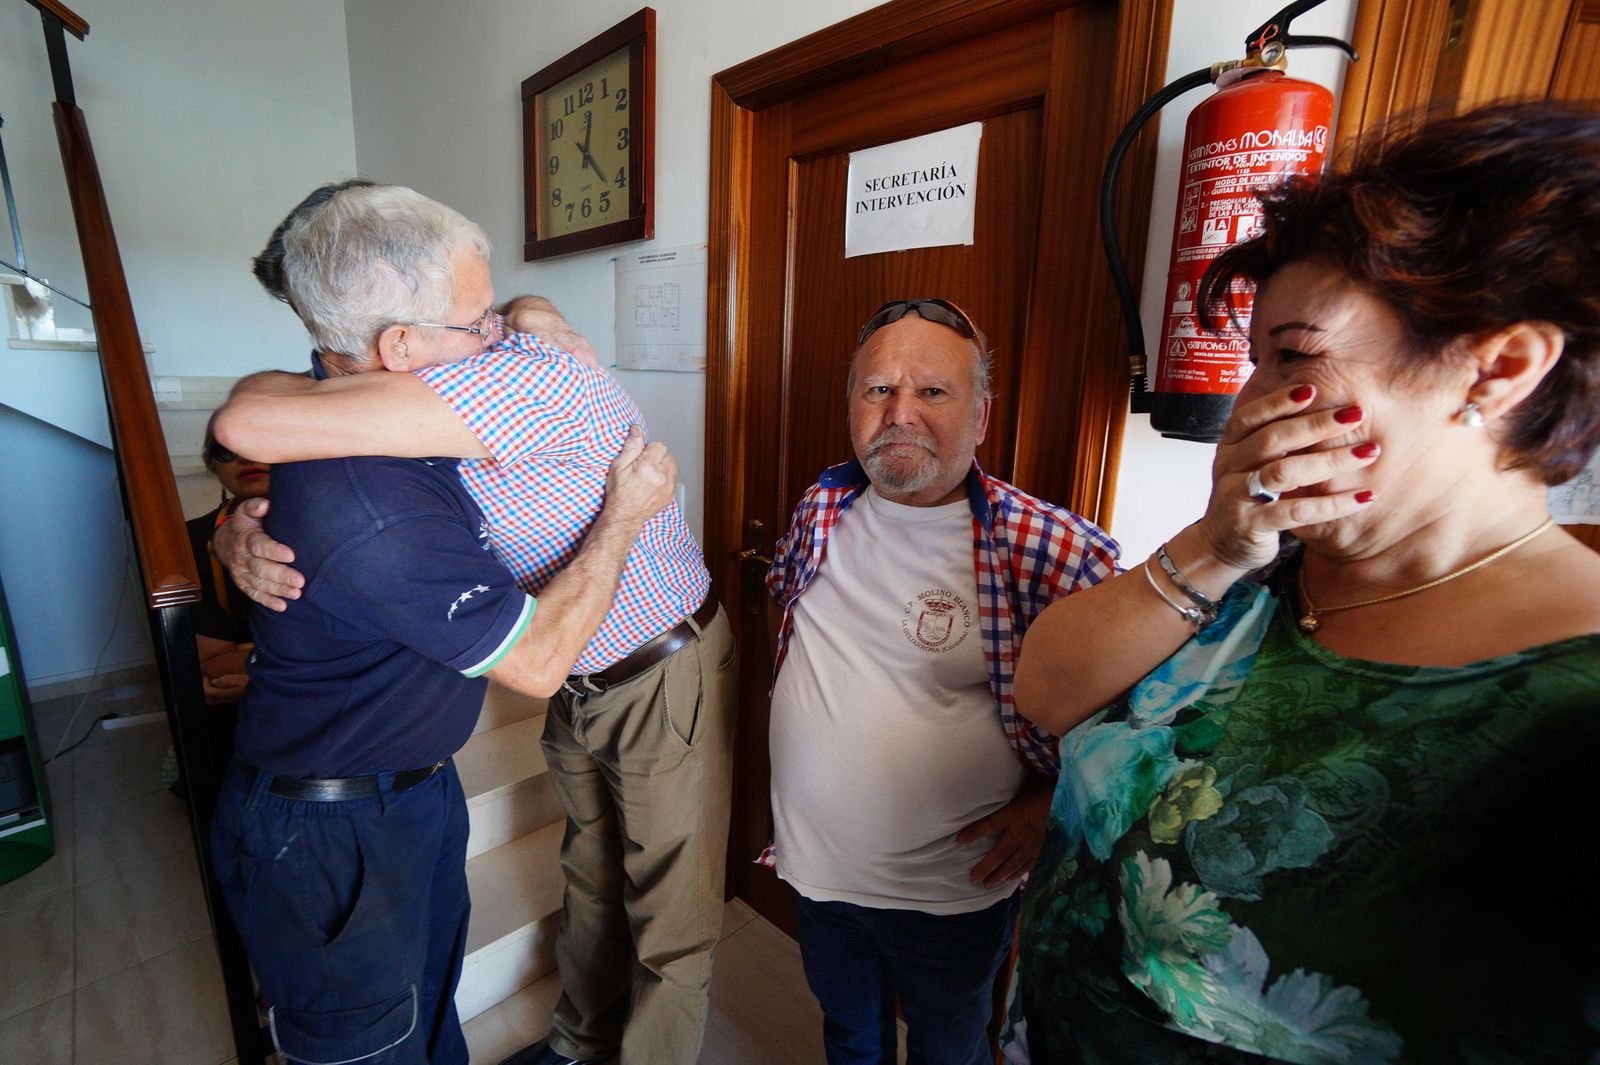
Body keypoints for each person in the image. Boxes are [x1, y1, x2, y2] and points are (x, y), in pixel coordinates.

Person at [1011, 103, 1600, 1063]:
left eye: (1295, 354)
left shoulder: (1571, 709)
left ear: (1497, 367)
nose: (1252, 404)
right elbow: (1046, 691)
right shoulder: (1256, 565)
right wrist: (1216, 543)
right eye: (1256, 364)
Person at [213, 184, 736, 1065]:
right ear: (398, 346)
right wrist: (240, 524)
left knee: (670, 918)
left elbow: (253, 420)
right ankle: (576, 1047)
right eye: (481, 316)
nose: (506, 329)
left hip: (658, 666)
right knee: (594, 876)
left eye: (498, 311)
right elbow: (253, 413)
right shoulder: (400, 412)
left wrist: (528, 315)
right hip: (574, 671)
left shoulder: (511, 375)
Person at [763, 298, 1120, 1065]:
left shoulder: (1048, 545)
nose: (900, 413)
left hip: (949, 895)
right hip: (818, 870)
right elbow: (791, 619)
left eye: (932, 391)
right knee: (849, 1038)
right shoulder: (823, 504)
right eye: (877, 390)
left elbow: (1136, 715)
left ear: (982, 414)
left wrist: (1049, 802)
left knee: (948, 1050)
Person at [188, 422, 270, 706]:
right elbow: (213, 665)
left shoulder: (342, 526)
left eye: (261, 441)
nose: (245, 457)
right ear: (213, 465)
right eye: (225, 450)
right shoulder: (191, 540)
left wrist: (262, 673)